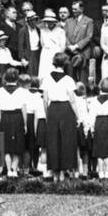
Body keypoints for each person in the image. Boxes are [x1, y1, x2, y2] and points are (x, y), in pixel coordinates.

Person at [41, 52, 80, 182]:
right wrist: (77, 117)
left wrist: (48, 114)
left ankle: (55, 173)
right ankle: (64, 172)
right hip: (65, 109)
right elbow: (73, 100)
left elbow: (45, 100)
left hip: (52, 109)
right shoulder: (68, 80)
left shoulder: (46, 79)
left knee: (53, 141)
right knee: (66, 140)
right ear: (65, 64)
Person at [0, 67, 26, 177]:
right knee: (17, 145)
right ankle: (14, 169)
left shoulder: (0, 91)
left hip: (5, 117)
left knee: (7, 146)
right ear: (17, 79)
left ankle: (9, 170)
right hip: (17, 117)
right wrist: (25, 124)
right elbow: (23, 108)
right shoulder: (21, 91)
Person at [64, 0, 95, 81]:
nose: (73, 11)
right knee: (70, 76)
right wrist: (69, 46)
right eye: (72, 9)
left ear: (82, 9)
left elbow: (89, 36)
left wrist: (77, 46)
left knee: (83, 78)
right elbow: (64, 35)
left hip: (83, 52)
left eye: (75, 9)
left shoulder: (88, 21)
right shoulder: (68, 21)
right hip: (70, 52)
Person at [17, 9, 42, 77]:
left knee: (37, 71)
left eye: (35, 20)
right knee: (29, 72)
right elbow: (20, 45)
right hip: (28, 54)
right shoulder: (23, 30)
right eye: (32, 20)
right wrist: (22, 58)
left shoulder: (38, 30)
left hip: (37, 53)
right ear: (28, 21)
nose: (34, 21)